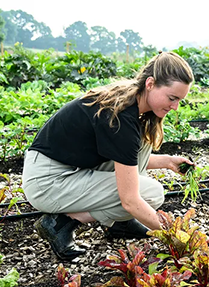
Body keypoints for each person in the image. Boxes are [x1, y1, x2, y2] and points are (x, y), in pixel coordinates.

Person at [22, 52, 195, 260]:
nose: (175, 107)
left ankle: (119, 223)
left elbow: (125, 159)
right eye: (172, 98)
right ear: (150, 83)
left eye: (179, 101)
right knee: (152, 193)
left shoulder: (129, 103)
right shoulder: (121, 118)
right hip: (48, 183)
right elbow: (130, 199)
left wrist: (167, 162)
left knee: (141, 146)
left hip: (63, 169)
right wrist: (177, 238)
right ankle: (62, 222)